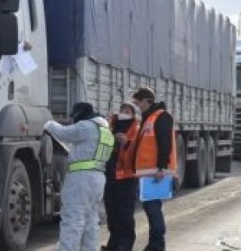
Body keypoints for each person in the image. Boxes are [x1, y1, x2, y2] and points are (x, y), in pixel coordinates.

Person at [44, 102, 115, 251]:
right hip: (97, 179)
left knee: (72, 219)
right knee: (91, 221)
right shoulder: (105, 130)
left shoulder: (86, 126)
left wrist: (49, 124)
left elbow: (64, 133)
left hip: (81, 179)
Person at [131, 87, 177, 251]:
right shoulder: (149, 117)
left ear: (147, 101)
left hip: (156, 172)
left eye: (139, 103)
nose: (138, 106)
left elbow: (165, 143)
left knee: (153, 209)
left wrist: (161, 167)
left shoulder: (161, 117)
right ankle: (154, 244)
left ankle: (157, 245)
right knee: (150, 208)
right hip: (148, 172)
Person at [102, 102, 141, 251]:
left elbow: (138, 153)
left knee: (125, 214)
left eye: (128, 111)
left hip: (127, 177)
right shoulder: (110, 127)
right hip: (110, 176)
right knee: (112, 213)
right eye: (122, 110)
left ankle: (125, 245)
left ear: (133, 114)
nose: (124, 113)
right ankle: (114, 243)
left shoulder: (136, 130)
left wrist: (126, 143)